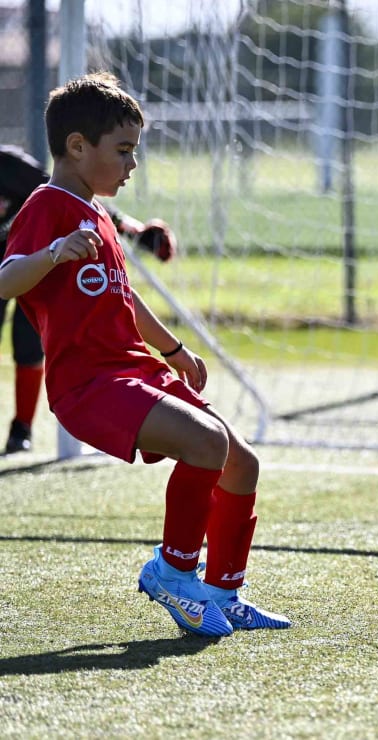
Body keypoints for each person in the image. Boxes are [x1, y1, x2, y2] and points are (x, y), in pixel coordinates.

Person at [0, 72, 288, 637]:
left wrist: (175, 349)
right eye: (124, 150)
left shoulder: (97, 215)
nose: (133, 165)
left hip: (135, 369)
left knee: (242, 462)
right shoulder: (50, 205)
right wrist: (54, 253)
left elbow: (123, 298)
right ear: (78, 146)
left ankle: (222, 592)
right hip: (90, 383)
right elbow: (7, 278)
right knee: (207, 444)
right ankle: (172, 572)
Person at [1, 143, 176, 454]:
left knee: (28, 345)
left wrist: (134, 231)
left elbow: (71, 196)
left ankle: (22, 429)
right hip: (11, 272)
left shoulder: (11, 166)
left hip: (32, 264)